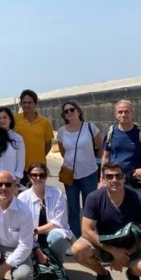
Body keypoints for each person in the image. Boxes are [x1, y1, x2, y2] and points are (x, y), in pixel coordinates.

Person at [71, 162, 141, 280]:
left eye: (118, 176)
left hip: (131, 245)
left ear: (124, 178)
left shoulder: (138, 200)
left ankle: (133, 275)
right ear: (103, 179)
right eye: (109, 177)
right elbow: (86, 231)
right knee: (78, 249)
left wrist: (124, 255)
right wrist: (113, 251)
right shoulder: (94, 198)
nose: (114, 180)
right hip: (104, 244)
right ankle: (103, 275)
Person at [56, 100, 103, 240]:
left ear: (78, 111)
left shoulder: (90, 128)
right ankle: (76, 239)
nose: (69, 112)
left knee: (90, 208)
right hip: (70, 175)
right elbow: (63, 152)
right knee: (73, 209)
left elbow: (100, 148)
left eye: (72, 109)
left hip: (89, 173)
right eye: (66, 111)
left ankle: (91, 238)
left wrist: (97, 165)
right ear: (64, 115)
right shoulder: (62, 132)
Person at [17, 162, 74, 263]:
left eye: (42, 175)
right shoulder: (22, 197)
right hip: (31, 238)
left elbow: (59, 222)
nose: (38, 178)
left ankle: (56, 263)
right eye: (34, 175)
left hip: (50, 234)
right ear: (29, 177)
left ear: (46, 176)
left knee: (57, 238)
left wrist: (36, 231)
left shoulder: (57, 193)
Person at [100, 100, 141, 196]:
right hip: (114, 180)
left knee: (135, 205)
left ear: (132, 113)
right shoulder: (111, 132)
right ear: (115, 114)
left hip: (134, 182)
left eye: (126, 111)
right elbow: (105, 157)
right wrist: (102, 179)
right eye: (120, 112)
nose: (123, 115)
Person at [13, 89, 54, 180]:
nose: (27, 105)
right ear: (21, 104)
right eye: (24, 102)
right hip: (18, 168)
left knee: (38, 189)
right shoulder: (14, 120)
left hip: (38, 169)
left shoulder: (45, 122)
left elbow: (48, 144)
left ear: (35, 104)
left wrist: (38, 156)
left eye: (30, 102)